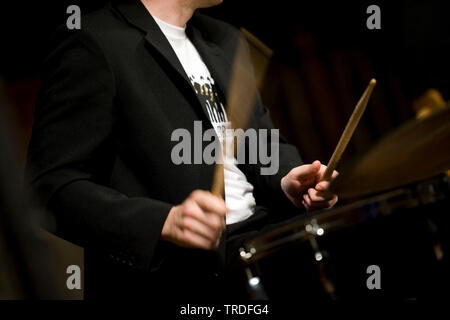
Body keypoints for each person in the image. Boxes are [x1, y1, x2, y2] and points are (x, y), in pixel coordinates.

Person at [26, 0, 338, 300]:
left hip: (259, 240)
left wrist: (288, 179)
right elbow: (51, 188)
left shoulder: (225, 38)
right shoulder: (94, 41)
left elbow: (259, 145)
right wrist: (166, 221)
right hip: (176, 276)